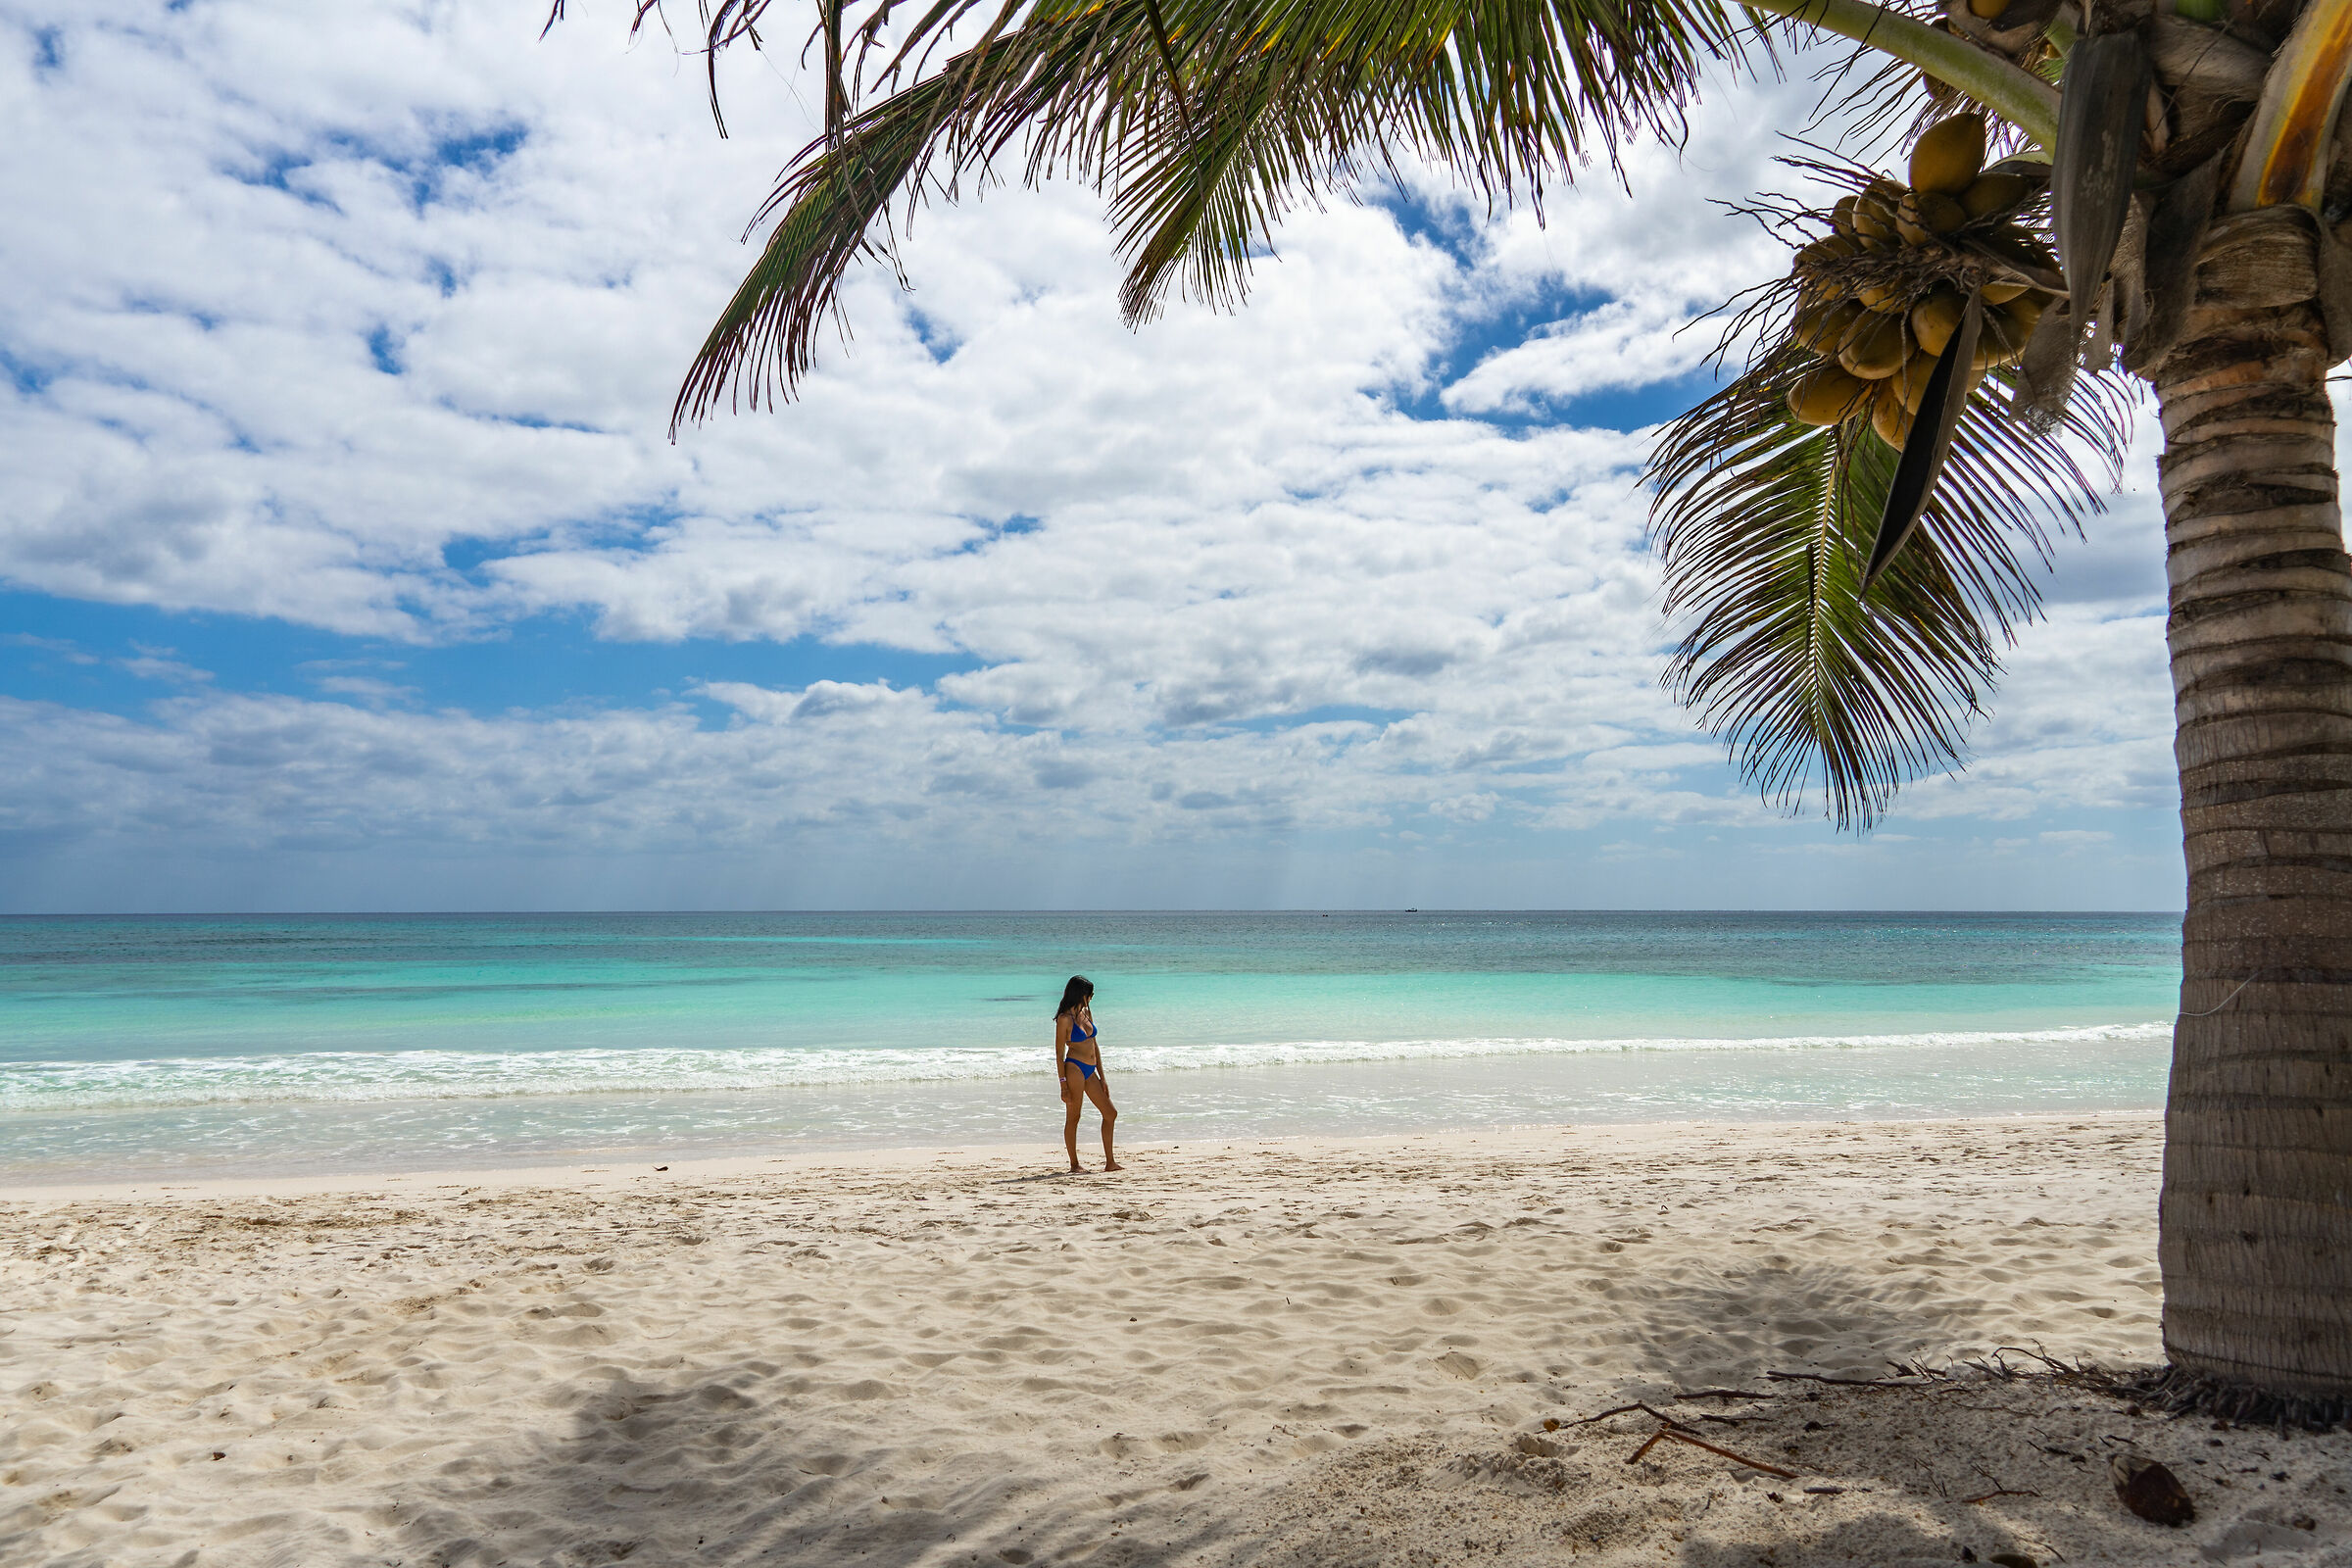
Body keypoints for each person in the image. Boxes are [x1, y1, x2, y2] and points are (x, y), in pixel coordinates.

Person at [1053, 975, 1120, 1173]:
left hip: (1091, 1071)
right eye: (1090, 994)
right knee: (1074, 1117)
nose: (1091, 998)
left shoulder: (1086, 1013)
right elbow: (1058, 1053)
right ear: (1081, 994)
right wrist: (1063, 1084)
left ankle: (1110, 1163)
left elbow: (1094, 1045)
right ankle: (1074, 1165)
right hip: (1073, 1068)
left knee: (1110, 1113)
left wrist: (1103, 1077)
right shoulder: (1064, 1019)